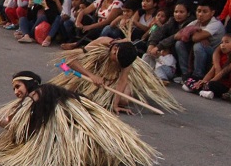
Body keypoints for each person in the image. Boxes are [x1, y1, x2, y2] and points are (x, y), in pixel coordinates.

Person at [0, 70, 159, 166]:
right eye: (13, 89)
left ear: (29, 83)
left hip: (68, 131)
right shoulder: (33, 102)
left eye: (18, 86)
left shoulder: (40, 95)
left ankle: (67, 157)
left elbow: (20, 126)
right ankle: (68, 157)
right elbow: (19, 127)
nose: (16, 91)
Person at [52, 36, 182, 114]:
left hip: (111, 77)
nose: (115, 63)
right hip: (93, 71)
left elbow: (123, 79)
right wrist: (91, 76)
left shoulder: (129, 57)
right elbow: (70, 61)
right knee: (69, 92)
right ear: (114, 49)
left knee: (124, 100)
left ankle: (110, 92)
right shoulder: (100, 43)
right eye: (115, 60)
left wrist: (115, 104)